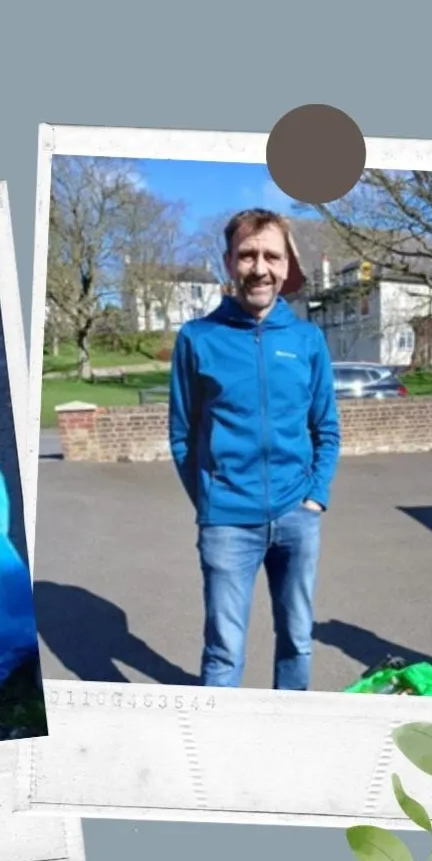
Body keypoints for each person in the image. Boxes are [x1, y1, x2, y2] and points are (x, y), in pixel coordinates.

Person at [168, 209, 341, 690]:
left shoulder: (308, 340)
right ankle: (220, 750)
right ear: (228, 262)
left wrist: (315, 496)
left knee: (298, 641)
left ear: (286, 267)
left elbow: (326, 427)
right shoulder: (197, 339)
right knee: (223, 653)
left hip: (296, 517)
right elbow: (182, 434)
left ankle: (287, 743)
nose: (259, 268)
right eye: (247, 255)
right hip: (227, 523)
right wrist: (210, 501)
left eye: (271, 255)